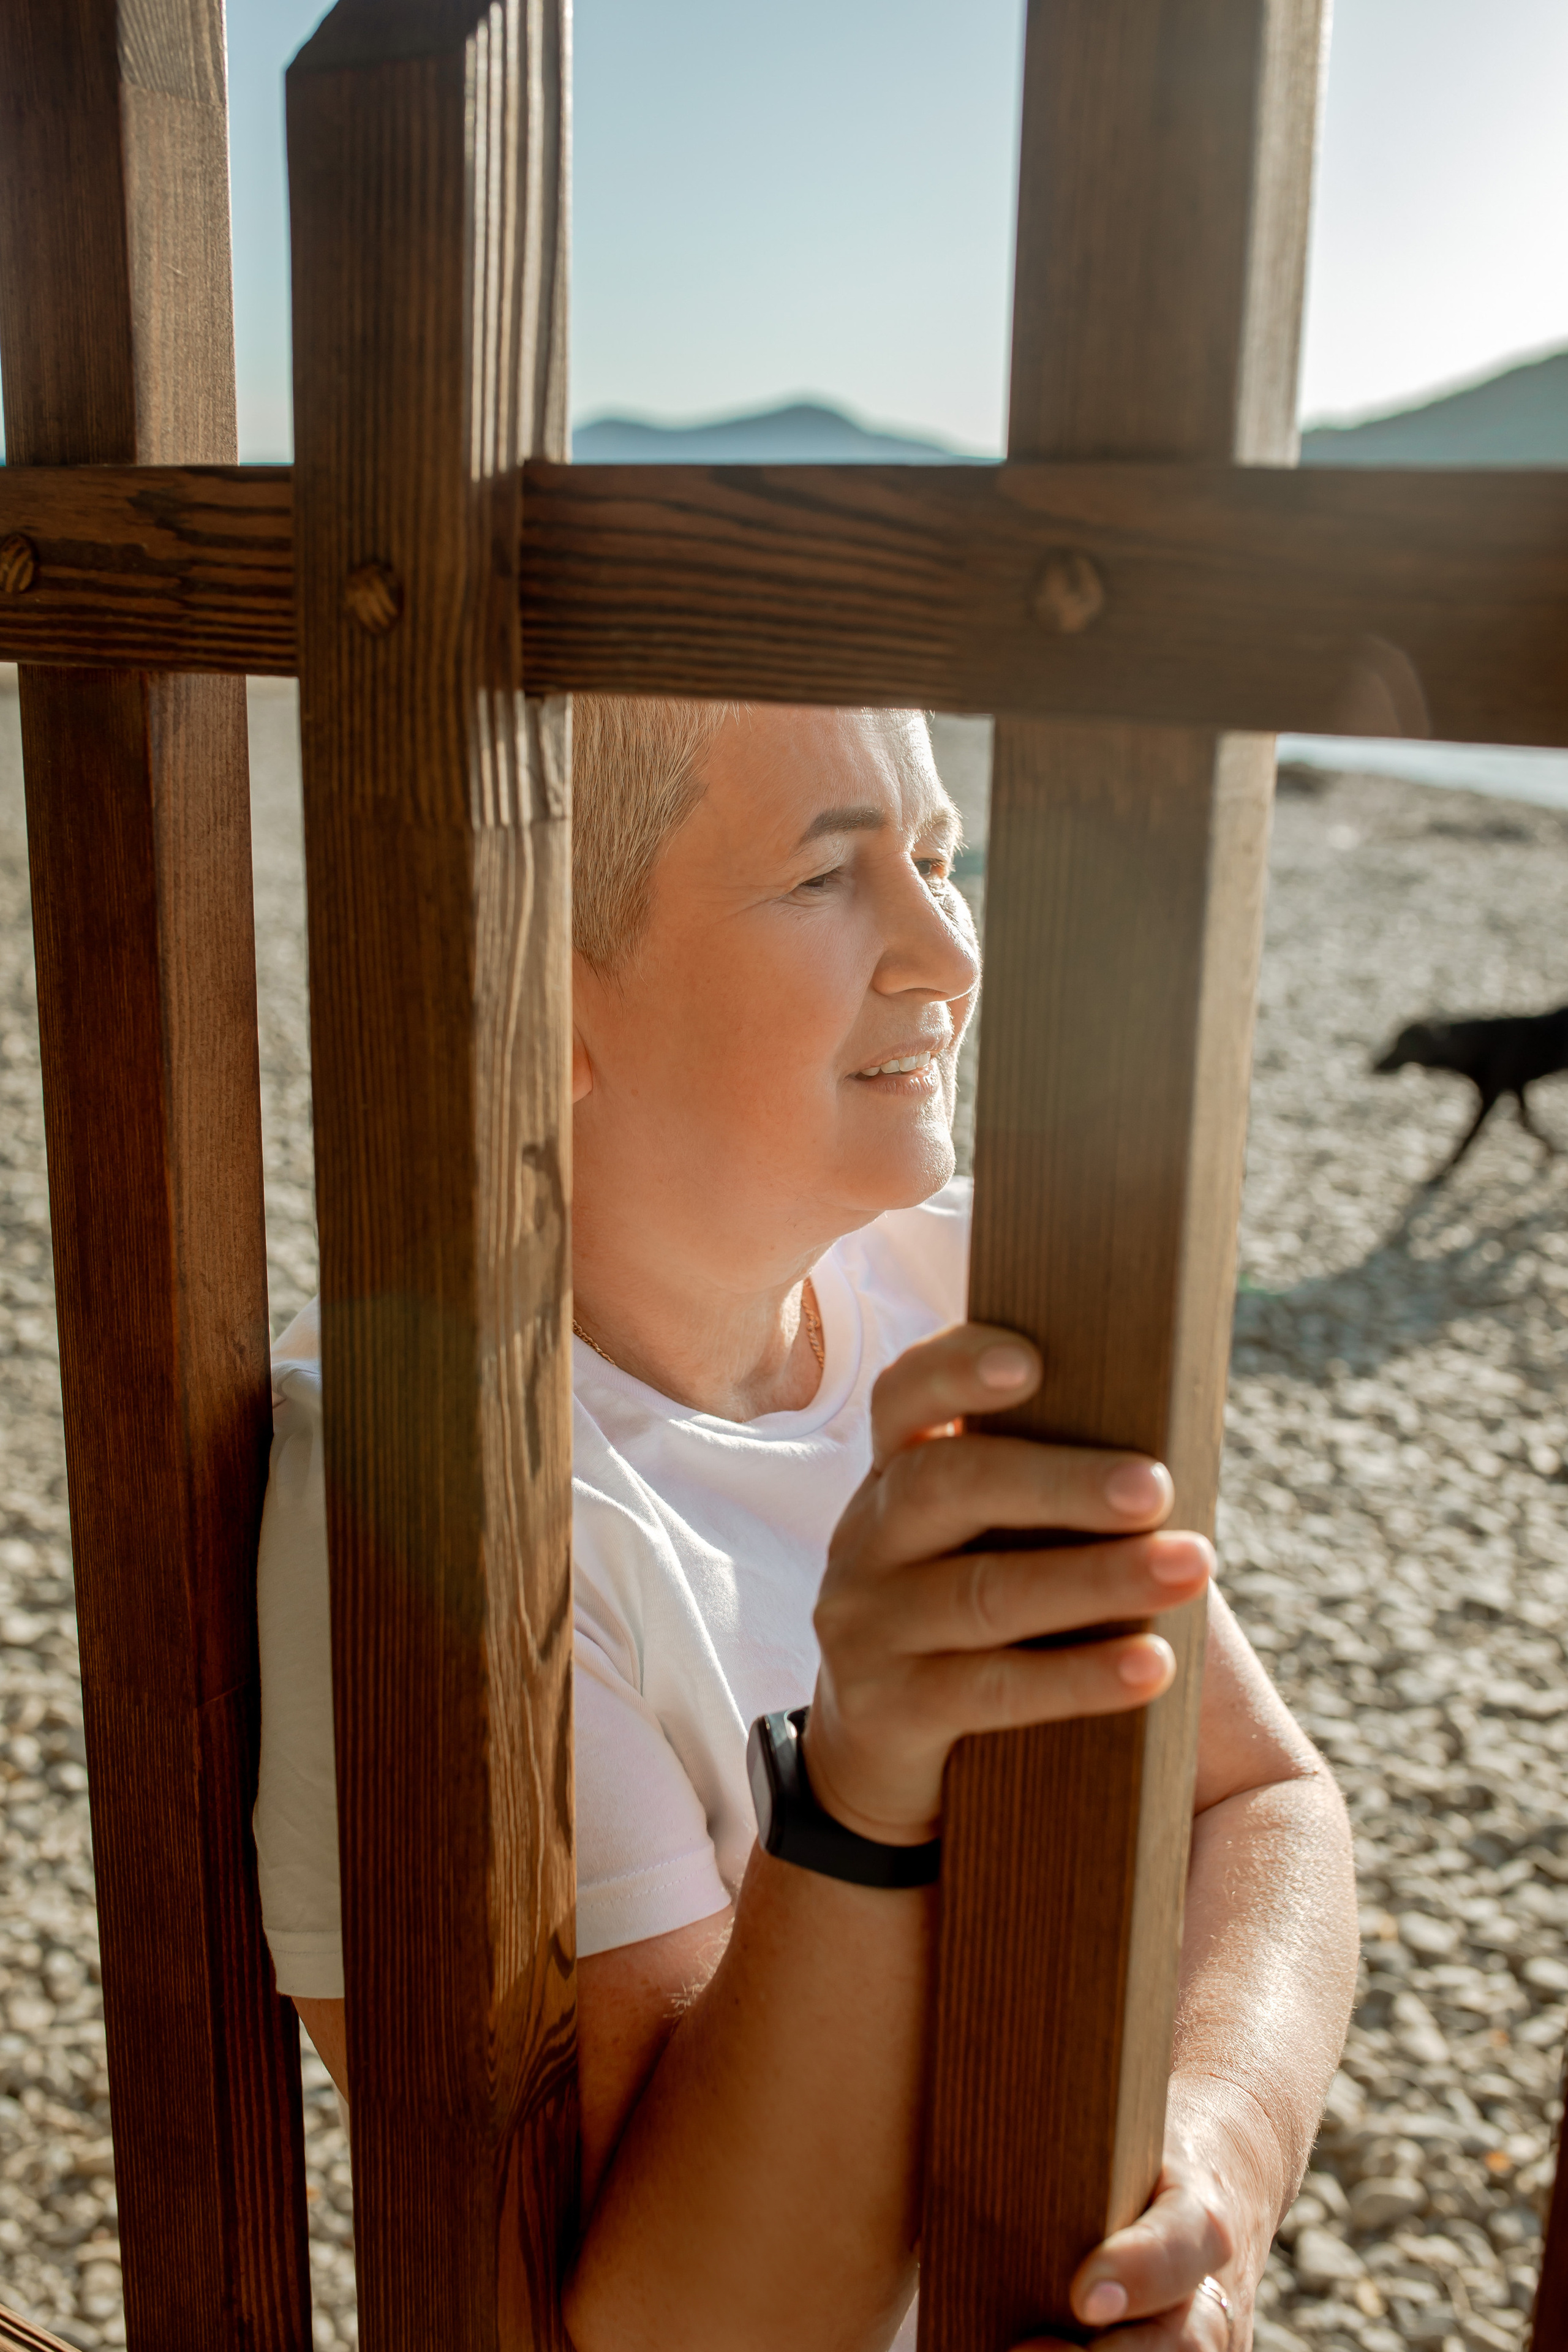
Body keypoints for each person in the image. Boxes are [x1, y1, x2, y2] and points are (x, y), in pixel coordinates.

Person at [254, 697, 1359, 2352]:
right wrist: (856, 1787)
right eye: (828, 881)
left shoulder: (961, 1288)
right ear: (543, 984)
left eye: (938, 858)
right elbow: (678, 2326)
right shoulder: (437, 1488)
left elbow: (1262, 1797)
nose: (946, 956)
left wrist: (1213, 2168)